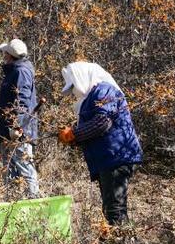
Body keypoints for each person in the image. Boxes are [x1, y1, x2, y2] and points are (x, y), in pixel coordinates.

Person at [59, 62, 142, 225]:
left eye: (73, 86)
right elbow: (94, 128)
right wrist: (73, 138)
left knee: (115, 211)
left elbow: (102, 122)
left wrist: (74, 133)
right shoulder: (94, 95)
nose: (73, 92)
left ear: (82, 78)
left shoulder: (104, 90)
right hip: (110, 158)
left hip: (116, 157)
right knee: (112, 210)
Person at [0, 38, 39, 199]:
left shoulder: (20, 71)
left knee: (25, 168)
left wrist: (16, 127)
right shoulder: (14, 70)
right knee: (9, 170)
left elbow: (23, 102)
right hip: (9, 130)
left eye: (5, 52)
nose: (3, 55)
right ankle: (12, 207)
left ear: (10, 54)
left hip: (19, 132)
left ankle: (34, 205)